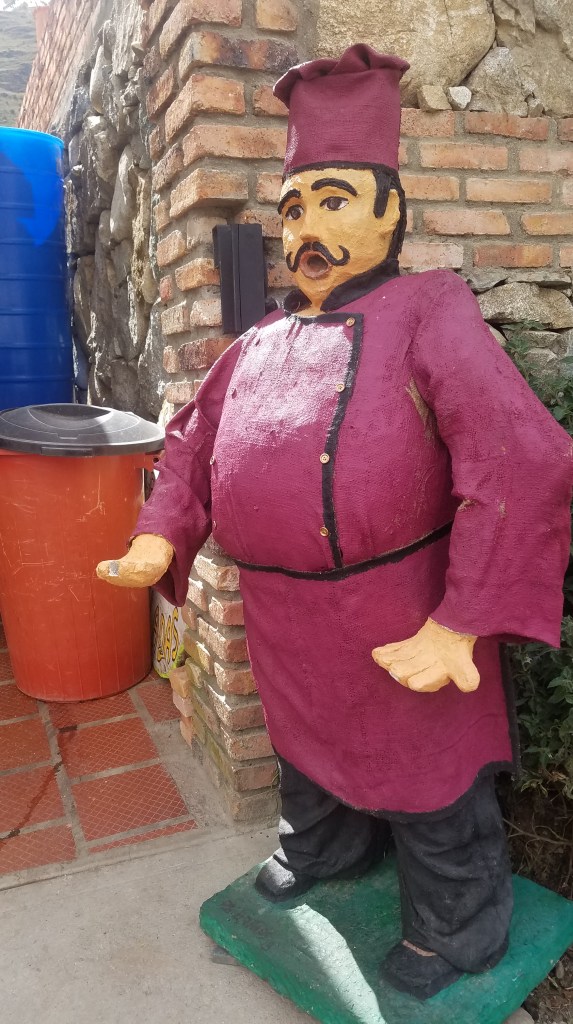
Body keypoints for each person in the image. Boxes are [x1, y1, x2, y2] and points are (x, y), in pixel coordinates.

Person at [97, 45, 573, 1001]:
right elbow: (190, 444)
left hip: (402, 614)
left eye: (334, 201)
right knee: (304, 754)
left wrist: (460, 622)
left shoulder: (430, 309)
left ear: (390, 211)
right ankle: (321, 850)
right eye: (293, 209)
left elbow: (518, 456)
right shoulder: (257, 342)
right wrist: (160, 533)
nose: (306, 229)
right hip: (284, 622)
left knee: (428, 776)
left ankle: (457, 927)